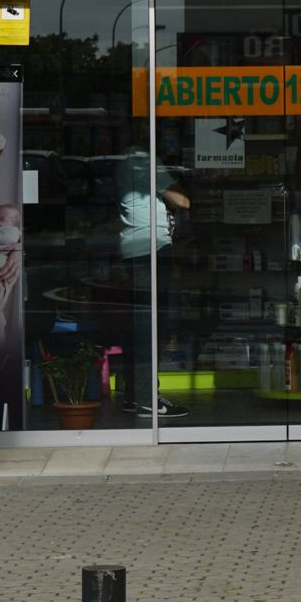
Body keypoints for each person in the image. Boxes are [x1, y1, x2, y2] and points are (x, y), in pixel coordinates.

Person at [114, 147, 190, 418]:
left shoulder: (124, 161)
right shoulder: (144, 160)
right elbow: (181, 200)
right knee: (151, 326)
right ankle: (148, 400)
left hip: (136, 249)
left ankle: (134, 395)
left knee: (139, 326)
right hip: (152, 250)